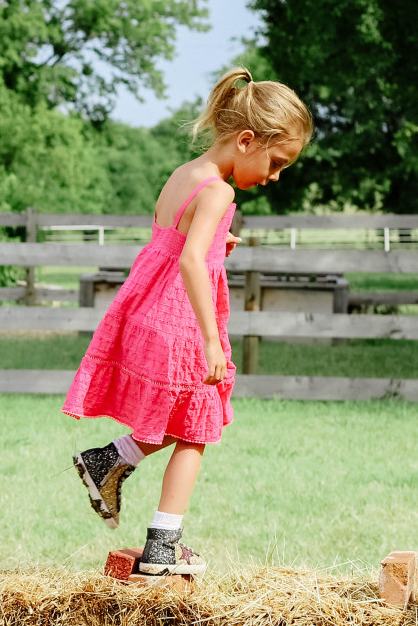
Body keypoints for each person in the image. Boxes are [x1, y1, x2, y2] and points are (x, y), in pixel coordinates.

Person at [65, 68, 312, 575]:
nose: (275, 176)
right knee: (197, 428)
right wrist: (211, 342)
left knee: (177, 418)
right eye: (277, 162)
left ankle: (107, 461)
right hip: (180, 324)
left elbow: (175, 241)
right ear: (247, 140)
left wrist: (217, 241)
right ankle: (162, 547)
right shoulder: (220, 193)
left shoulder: (184, 175)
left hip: (144, 311)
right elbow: (189, 262)